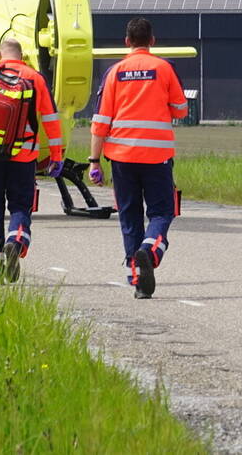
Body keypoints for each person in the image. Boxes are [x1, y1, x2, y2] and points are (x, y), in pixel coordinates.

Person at [89, 17, 188, 299]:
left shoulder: (114, 72)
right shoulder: (164, 68)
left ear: (127, 42)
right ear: (152, 41)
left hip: (121, 158)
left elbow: (101, 120)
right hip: (156, 156)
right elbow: (180, 110)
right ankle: (150, 250)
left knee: (130, 216)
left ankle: (137, 279)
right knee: (161, 212)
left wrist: (94, 162)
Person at [0, 38, 64, 282]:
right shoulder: (35, 77)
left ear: (0, 54)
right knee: (20, 205)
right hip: (24, 154)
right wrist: (57, 155)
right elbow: (50, 118)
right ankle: (16, 240)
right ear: (22, 55)